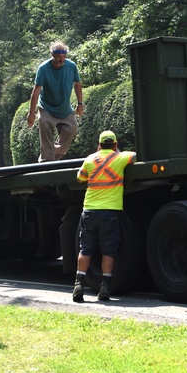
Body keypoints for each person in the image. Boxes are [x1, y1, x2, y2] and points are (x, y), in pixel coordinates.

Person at [73, 130, 135, 303]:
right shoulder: (120, 157)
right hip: (110, 211)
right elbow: (134, 157)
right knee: (109, 250)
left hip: (90, 210)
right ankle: (105, 287)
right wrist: (118, 154)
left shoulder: (90, 159)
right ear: (115, 145)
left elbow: (80, 178)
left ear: (99, 145)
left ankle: (79, 285)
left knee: (85, 248)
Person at [26, 41, 84, 162]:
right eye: (59, 57)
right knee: (45, 125)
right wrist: (31, 113)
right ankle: (46, 162)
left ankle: (51, 155)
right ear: (52, 55)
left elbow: (77, 84)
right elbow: (36, 90)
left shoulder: (71, 66)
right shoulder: (43, 68)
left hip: (64, 109)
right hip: (47, 108)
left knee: (72, 128)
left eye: (64, 56)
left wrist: (80, 103)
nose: (61, 59)